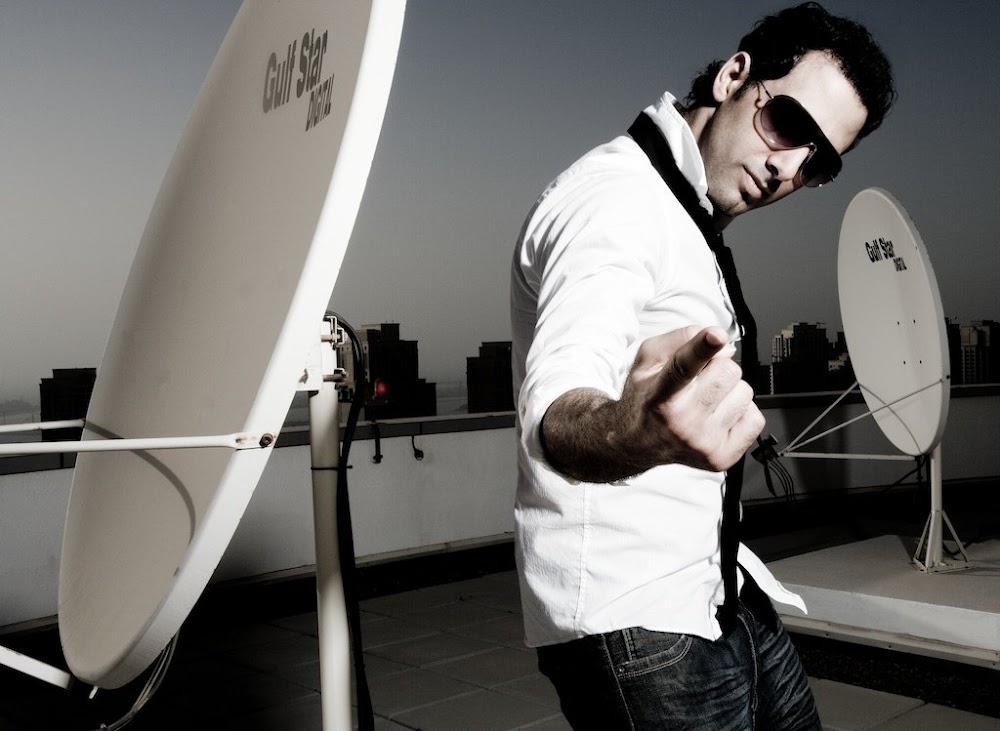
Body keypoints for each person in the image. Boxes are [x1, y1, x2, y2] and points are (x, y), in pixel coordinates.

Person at [509, 3, 895, 729]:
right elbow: (555, 414)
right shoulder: (618, 201)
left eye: (819, 160)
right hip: (636, 618)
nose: (789, 168)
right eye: (788, 124)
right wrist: (638, 432)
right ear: (733, 76)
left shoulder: (682, 211)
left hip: (717, 588)